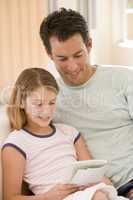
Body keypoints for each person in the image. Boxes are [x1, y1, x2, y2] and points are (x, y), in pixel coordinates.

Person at [39, 7, 133, 199]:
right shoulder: (47, 98)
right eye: (62, 59)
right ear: (49, 54)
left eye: (78, 55)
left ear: (89, 45)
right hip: (92, 190)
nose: (72, 66)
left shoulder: (124, 80)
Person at [2, 67, 126, 200]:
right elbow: (9, 197)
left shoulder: (69, 132)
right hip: (57, 198)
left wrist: (106, 185)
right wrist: (47, 196)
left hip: (89, 192)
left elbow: (94, 171)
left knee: (103, 194)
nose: (47, 111)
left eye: (52, 103)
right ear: (21, 102)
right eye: (38, 104)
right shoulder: (16, 143)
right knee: (99, 196)